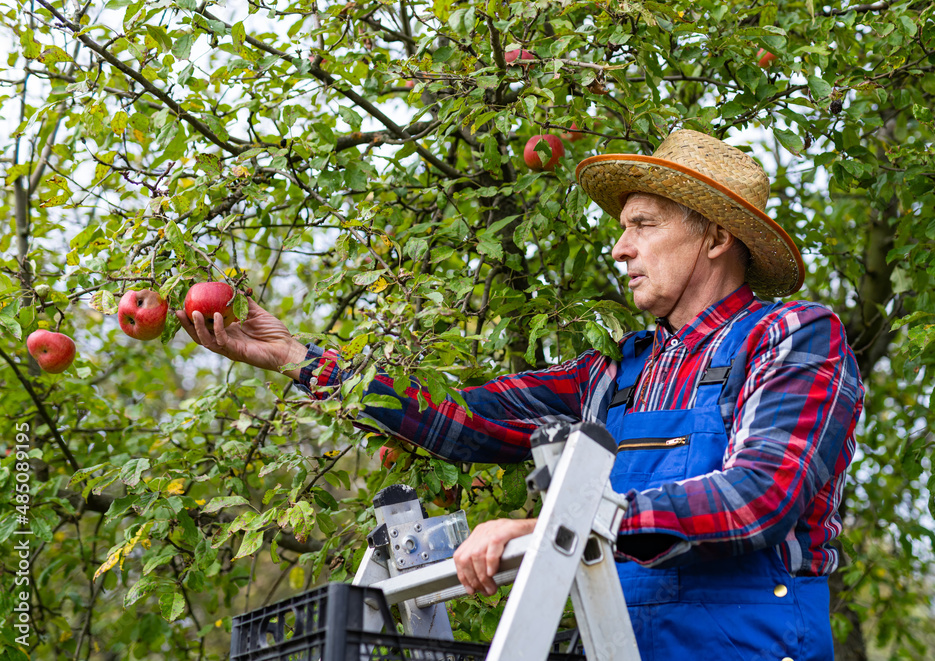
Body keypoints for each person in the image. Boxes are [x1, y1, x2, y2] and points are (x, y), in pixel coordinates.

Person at [178, 129, 863, 660]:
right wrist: (297, 357)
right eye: (622, 227)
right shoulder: (612, 376)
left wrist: (555, 528)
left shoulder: (792, 337)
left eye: (643, 224)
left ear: (716, 236)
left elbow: (756, 497)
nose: (620, 247)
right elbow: (455, 416)